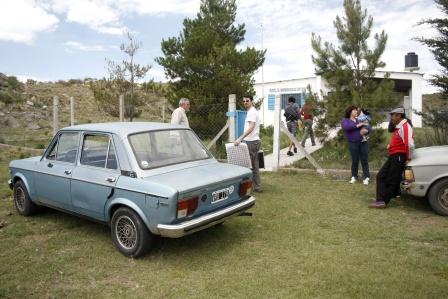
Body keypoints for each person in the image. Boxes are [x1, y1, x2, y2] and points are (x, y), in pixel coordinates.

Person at [369, 107, 414, 209]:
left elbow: (409, 145)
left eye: (392, 115)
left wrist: (408, 158)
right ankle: (380, 200)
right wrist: (391, 145)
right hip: (394, 155)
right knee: (381, 176)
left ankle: (383, 201)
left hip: (399, 156)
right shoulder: (399, 126)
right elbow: (400, 140)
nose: (391, 118)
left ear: (399, 116)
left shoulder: (405, 126)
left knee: (391, 180)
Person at [234, 95, 262, 193]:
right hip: (253, 141)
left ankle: (253, 187)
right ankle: (256, 187)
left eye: (247, 100)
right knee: (254, 165)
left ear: (252, 101)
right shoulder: (251, 111)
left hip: (251, 142)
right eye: (244, 101)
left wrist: (240, 138)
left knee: (250, 166)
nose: (245, 102)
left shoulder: (252, 112)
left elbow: (251, 127)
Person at [341, 105, 370, 185]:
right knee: (355, 160)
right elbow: (347, 127)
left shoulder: (359, 119)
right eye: (354, 110)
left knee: (364, 160)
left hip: (363, 142)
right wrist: (359, 125)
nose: (356, 111)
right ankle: (354, 176)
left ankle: (366, 177)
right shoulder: (345, 120)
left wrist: (366, 130)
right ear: (350, 112)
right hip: (353, 143)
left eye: (356, 110)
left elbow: (368, 126)